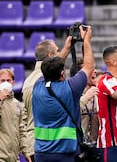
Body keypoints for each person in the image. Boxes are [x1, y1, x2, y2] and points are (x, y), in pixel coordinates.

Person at [32, 25, 93, 161]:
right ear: (62, 73)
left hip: (41, 153)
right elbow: (88, 67)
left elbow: (51, 67)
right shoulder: (70, 88)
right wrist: (86, 41)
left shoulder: (37, 86)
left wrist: (66, 48)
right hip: (65, 152)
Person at [21, 36, 72, 158]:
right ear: (50, 56)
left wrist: (67, 48)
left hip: (34, 141)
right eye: (58, 51)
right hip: (47, 144)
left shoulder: (28, 80)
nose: (60, 53)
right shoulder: (44, 80)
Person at [0, 68, 32, 162]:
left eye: (8, 80)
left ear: (13, 82)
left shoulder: (18, 105)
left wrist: (26, 153)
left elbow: (21, 131)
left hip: (14, 158)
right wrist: (0, 100)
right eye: (3, 80)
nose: (5, 83)